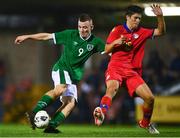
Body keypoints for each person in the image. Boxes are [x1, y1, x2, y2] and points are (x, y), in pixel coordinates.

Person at [15, 13, 105, 133]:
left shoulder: (96, 42)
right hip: (62, 69)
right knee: (61, 89)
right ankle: (34, 112)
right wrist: (27, 36)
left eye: (85, 27)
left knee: (71, 103)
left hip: (73, 77)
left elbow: (109, 50)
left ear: (91, 27)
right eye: (80, 27)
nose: (82, 30)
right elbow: (46, 36)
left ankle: (51, 127)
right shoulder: (70, 34)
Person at [93, 4, 166, 134]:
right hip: (115, 67)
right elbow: (106, 49)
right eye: (135, 18)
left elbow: (161, 32)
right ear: (127, 17)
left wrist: (160, 17)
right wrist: (116, 43)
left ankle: (145, 123)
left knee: (150, 99)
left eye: (139, 18)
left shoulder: (142, 32)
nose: (137, 21)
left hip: (132, 72)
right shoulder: (117, 30)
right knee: (111, 89)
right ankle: (101, 113)